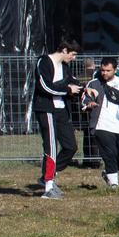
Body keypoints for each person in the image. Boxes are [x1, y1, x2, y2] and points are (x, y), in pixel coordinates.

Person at [33, 38, 83, 198]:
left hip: (61, 111)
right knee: (51, 146)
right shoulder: (44, 62)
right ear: (64, 50)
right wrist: (67, 90)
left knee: (71, 146)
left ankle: (46, 176)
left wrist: (87, 91)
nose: (74, 58)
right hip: (46, 109)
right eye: (73, 54)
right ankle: (48, 187)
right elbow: (44, 86)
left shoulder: (65, 67)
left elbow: (74, 82)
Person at [87, 57, 119, 188]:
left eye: (108, 70)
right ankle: (113, 183)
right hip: (101, 125)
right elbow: (85, 98)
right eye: (102, 70)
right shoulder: (94, 83)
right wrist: (89, 103)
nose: (105, 73)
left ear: (115, 70)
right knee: (110, 153)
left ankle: (108, 172)